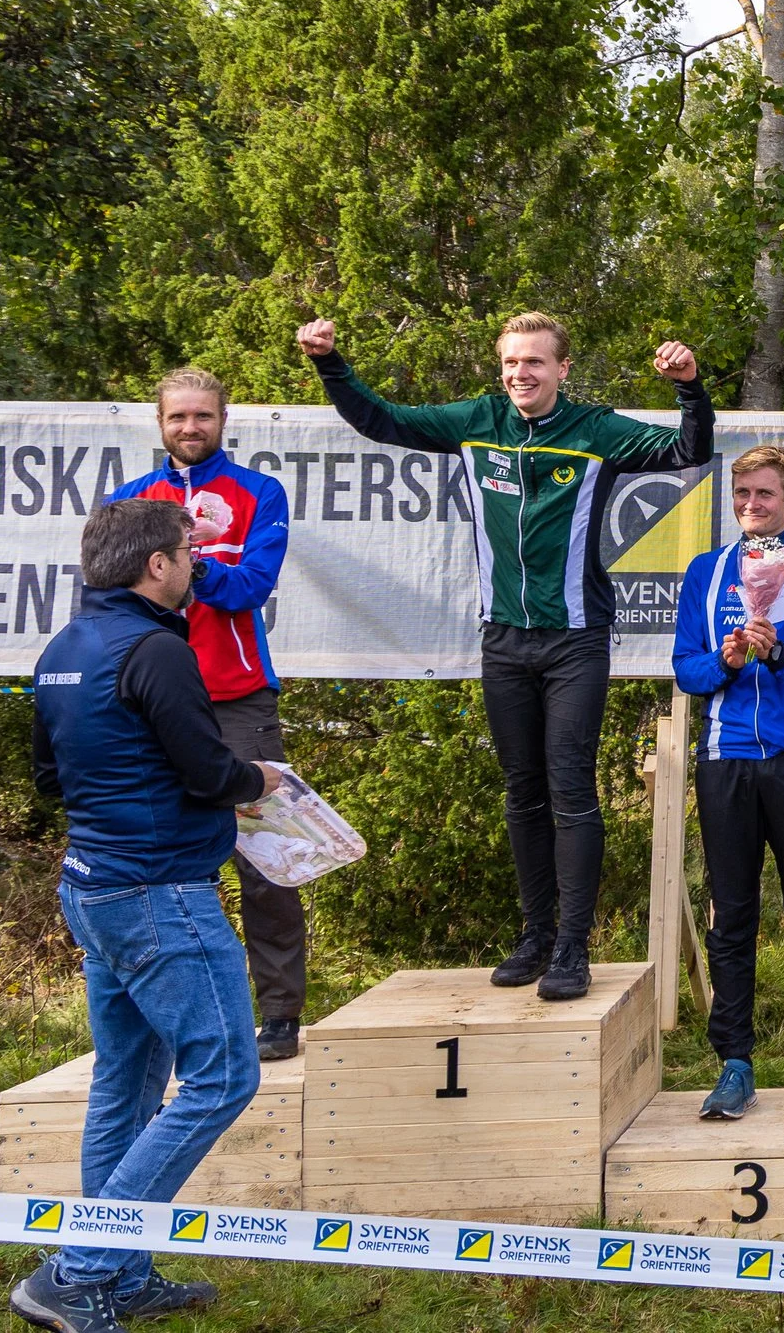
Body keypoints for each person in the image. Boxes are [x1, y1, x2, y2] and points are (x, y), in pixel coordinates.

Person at [298, 314, 712, 1002]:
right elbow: (380, 421)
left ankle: (574, 950)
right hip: (503, 640)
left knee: (570, 789)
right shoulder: (477, 420)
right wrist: (329, 363)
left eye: (536, 363)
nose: (521, 374)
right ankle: (535, 937)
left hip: (576, 638)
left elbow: (687, 452)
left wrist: (690, 388)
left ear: (563, 369)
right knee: (523, 793)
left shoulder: (596, 430)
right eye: (512, 363)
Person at [14, 499, 283, 1333]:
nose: (195, 567)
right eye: (186, 556)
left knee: (126, 1085)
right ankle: (79, 1270)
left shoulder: (64, 648)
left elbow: (51, 780)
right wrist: (261, 782)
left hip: (92, 887)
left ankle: (118, 1276)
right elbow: (208, 773)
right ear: (155, 566)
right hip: (160, 896)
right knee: (225, 1077)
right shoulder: (157, 648)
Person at [108, 368, 307, 1063]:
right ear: (159, 424)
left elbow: (253, 584)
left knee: (265, 859)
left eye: (202, 417)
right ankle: (168, 1014)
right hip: (148, 701)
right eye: (177, 418)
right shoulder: (130, 500)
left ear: (224, 420)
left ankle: (280, 1012)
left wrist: (186, 567)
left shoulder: (259, 492)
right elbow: (110, 594)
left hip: (238, 696)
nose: (189, 428)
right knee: (157, 857)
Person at [674, 444, 784, 1118]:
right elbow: (685, 671)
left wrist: (776, 651)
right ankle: (735, 1062)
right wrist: (722, 662)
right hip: (725, 759)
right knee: (733, 915)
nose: (752, 505)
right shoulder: (708, 570)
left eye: (766, 494)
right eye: (742, 493)